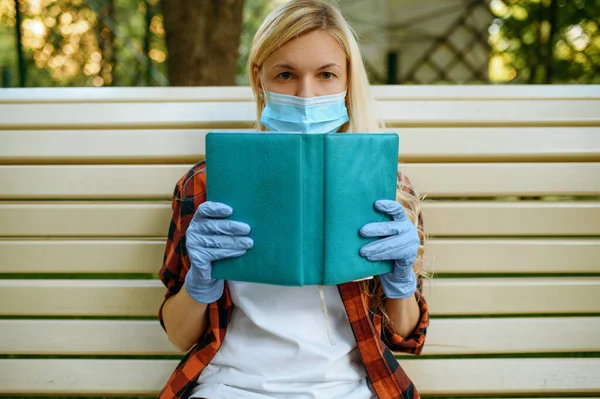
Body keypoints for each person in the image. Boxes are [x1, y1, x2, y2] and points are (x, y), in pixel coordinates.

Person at [157, 1, 429, 398]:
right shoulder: (205, 184)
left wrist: (400, 281)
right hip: (230, 387)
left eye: (326, 75)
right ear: (259, 79)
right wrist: (199, 281)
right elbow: (181, 337)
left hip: (350, 389)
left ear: (348, 81)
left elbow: (404, 336)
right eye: (285, 74)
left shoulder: (385, 186)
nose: (306, 94)